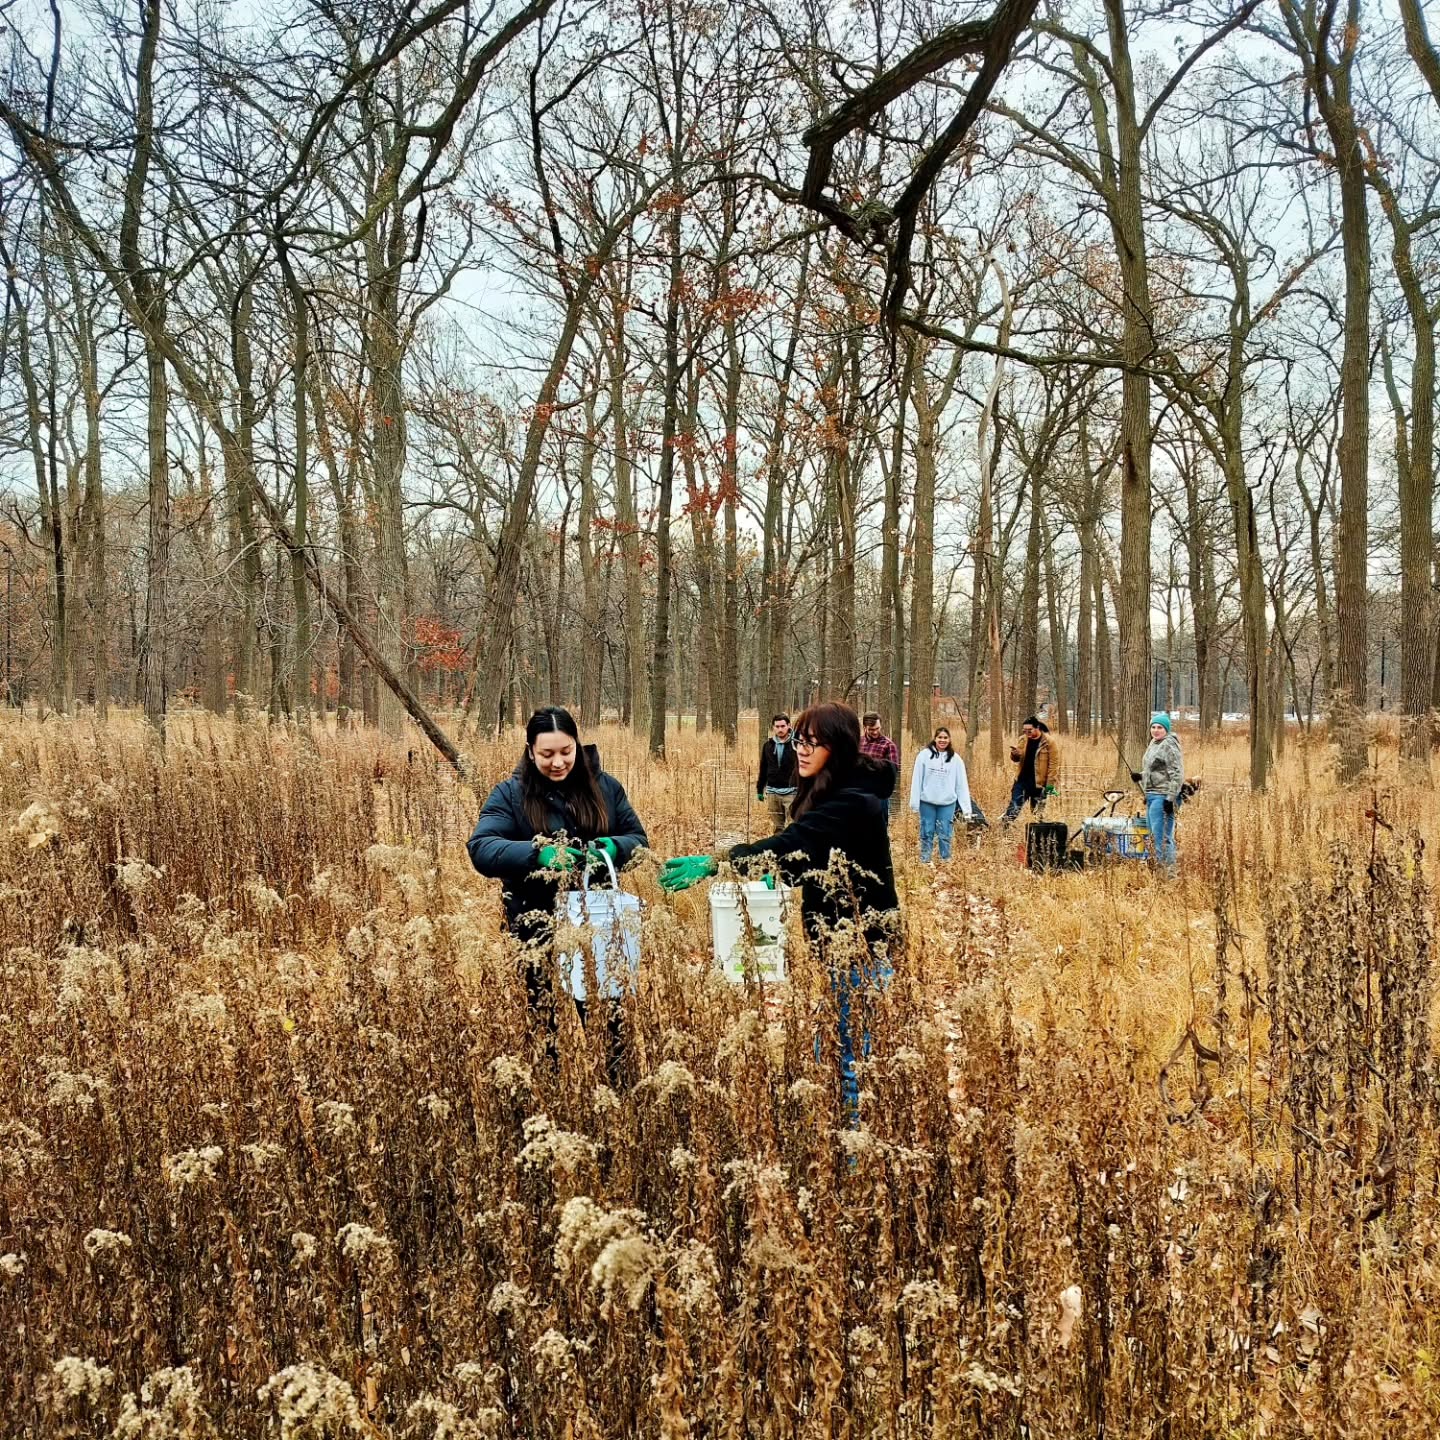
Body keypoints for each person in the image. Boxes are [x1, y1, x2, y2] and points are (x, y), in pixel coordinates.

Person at [660, 703, 899, 1119]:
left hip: (862, 950)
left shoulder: (854, 801)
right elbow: (813, 856)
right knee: (834, 1047)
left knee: (851, 1063)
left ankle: (857, 1158)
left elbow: (793, 843)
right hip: (838, 950)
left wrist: (720, 861)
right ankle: (839, 1141)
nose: (801, 750)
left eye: (813, 742)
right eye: (800, 741)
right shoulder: (836, 791)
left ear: (838, 748)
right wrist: (784, 874)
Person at [466, 708, 648, 1048]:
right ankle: (549, 1096)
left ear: (577, 746)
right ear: (530, 750)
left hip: (598, 925)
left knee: (609, 1029)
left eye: (566, 751)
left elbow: (638, 839)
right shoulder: (510, 794)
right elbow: (482, 847)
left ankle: (618, 1095)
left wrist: (614, 847)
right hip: (536, 928)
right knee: (543, 1026)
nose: (558, 762)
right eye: (547, 754)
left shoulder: (605, 788)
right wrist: (537, 854)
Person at [909, 726, 973, 863]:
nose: (942, 740)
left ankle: (946, 860)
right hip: (927, 802)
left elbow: (961, 784)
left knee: (945, 832)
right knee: (927, 831)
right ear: (935, 739)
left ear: (949, 740)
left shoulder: (956, 760)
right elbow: (917, 779)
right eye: (940, 737)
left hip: (947, 803)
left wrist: (966, 809)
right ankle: (925, 859)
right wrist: (914, 803)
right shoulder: (924, 756)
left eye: (945, 738)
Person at [1133, 713, 1184, 873]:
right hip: (1152, 795)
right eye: (1153, 727)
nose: (1156, 730)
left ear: (1166, 729)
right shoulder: (1154, 743)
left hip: (1163, 796)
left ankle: (1168, 873)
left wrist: (1170, 799)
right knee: (1154, 836)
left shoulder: (1169, 745)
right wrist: (1140, 776)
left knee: (1162, 838)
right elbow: (1155, 770)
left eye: (1160, 727)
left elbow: (1177, 773)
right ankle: (1158, 870)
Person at [1002, 715, 1060, 823]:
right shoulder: (1023, 739)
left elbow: (1053, 765)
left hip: (1039, 784)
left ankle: (1035, 836)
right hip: (1022, 781)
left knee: (1037, 815)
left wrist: (1049, 785)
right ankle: (1004, 829)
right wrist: (1015, 755)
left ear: (1037, 727)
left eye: (1029, 730)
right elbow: (1016, 759)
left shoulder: (1049, 742)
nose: (1027, 733)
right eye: (1024, 731)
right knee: (1014, 808)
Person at [756, 713, 799, 831]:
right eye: (777, 726)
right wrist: (760, 789)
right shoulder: (768, 746)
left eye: (783, 726)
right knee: (777, 828)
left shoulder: (797, 744)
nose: (780, 729)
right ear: (773, 727)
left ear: (789, 726)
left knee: (793, 827)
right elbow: (763, 768)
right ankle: (777, 849)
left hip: (792, 792)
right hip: (772, 792)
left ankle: (793, 849)